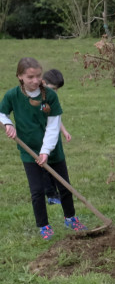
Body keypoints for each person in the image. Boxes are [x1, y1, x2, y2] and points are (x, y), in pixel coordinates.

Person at [1, 58, 86, 239]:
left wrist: (46, 151)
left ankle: (70, 217)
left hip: (53, 150)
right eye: (30, 77)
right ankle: (44, 225)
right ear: (20, 77)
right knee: (37, 191)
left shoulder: (50, 95)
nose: (35, 80)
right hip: (29, 152)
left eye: (38, 76)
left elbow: (54, 126)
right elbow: (2, 112)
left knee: (64, 185)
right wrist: (8, 123)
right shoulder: (12, 96)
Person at [40, 69, 71, 205]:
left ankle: (58, 191)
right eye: (53, 88)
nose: (55, 92)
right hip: (41, 137)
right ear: (43, 82)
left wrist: (63, 131)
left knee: (54, 162)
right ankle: (51, 194)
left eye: (56, 89)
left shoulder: (51, 97)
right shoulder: (38, 98)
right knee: (44, 165)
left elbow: (55, 117)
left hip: (53, 136)